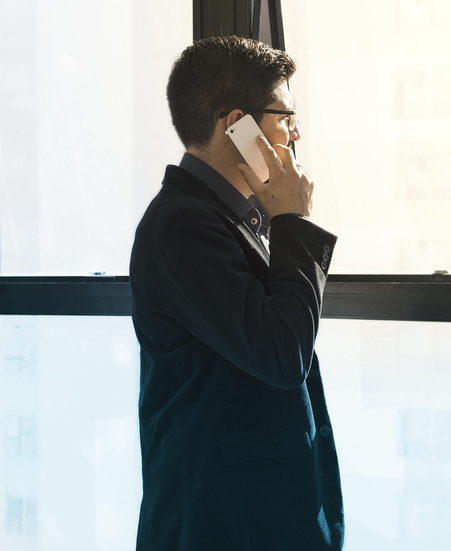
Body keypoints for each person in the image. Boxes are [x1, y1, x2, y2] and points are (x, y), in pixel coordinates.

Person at [129, 36, 344, 550]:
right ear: (237, 126)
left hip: (245, 514)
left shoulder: (228, 218)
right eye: (285, 116)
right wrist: (293, 220)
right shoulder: (182, 226)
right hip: (222, 522)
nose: (296, 133)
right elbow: (282, 353)